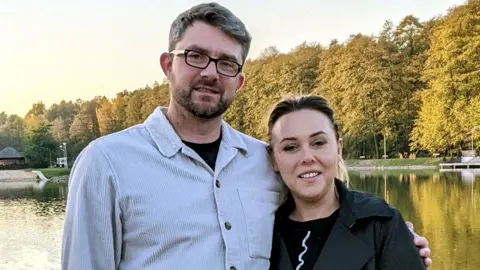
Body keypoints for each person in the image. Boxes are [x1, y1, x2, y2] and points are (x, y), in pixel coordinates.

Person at [61, 2, 431, 270]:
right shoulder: (107, 164)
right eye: (195, 56)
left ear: (238, 81)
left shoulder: (265, 161)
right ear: (167, 65)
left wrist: (393, 235)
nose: (209, 72)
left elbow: (324, 207)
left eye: (226, 63)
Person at [267, 95, 426, 269]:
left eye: (318, 143)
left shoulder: (381, 226)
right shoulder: (262, 234)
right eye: (290, 147)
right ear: (274, 159)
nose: (307, 157)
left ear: (339, 148)